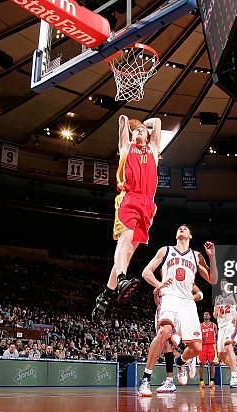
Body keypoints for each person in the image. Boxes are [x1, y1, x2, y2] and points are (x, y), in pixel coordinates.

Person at [92, 115, 162, 319]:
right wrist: (128, 125)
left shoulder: (153, 150)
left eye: (143, 131)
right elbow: (122, 121)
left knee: (128, 253)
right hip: (129, 199)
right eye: (136, 131)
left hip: (148, 204)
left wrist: (144, 126)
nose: (140, 132)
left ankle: (106, 295)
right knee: (124, 240)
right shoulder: (126, 148)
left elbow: (157, 122)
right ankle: (122, 278)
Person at [137, 225, 218, 397]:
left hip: (187, 302)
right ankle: (146, 379)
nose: (182, 229)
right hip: (170, 297)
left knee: (196, 347)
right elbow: (146, 272)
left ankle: (180, 361)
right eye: (179, 228)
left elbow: (213, 279)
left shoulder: (196, 256)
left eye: (185, 228)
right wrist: (159, 284)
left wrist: (212, 257)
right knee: (164, 331)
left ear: (190, 235)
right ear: (176, 234)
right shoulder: (165, 250)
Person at [153, 283, 203, 393]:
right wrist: (155, 295)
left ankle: (178, 367)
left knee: (172, 344)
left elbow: (200, 294)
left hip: (180, 314)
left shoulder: (186, 278)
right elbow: (158, 304)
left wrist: (189, 298)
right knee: (166, 346)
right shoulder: (163, 283)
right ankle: (180, 366)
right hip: (163, 313)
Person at [214, 278, 237, 388]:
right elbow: (215, 315)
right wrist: (215, 313)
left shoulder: (236, 296)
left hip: (231, 325)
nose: (223, 285)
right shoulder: (217, 298)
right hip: (221, 327)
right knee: (221, 355)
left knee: (228, 346)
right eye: (222, 284)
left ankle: (234, 378)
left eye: (225, 283)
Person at [197, 311, 218, 388]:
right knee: (201, 364)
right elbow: (197, 334)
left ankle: (212, 381)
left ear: (210, 316)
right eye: (204, 314)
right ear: (203, 316)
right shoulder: (200, 325)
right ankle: (201, 381)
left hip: (211, 345)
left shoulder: (213, 325)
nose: (206, 315)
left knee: (212, 363)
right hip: (202, 346)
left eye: (207, 314)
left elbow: (216, 334)